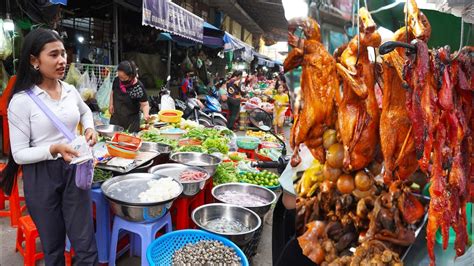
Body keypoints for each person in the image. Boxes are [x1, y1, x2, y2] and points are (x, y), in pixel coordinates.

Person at [0, 28, 98, 265]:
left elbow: (85, 111)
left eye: (63, 53)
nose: (62, 60)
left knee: (86, 246)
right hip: (41, 176)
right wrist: (54, 149)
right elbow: (20, 154)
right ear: (34, 60)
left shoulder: (70, 91)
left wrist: (89, 128)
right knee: (52, 249)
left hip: (73, 171)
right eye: (53, 55)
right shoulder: (22, 101)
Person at [109, 60, 150, 132]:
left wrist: (146, 115)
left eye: (123, 78)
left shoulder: (138, 87)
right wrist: (111, 104)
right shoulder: (116, 80)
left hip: (131, 122)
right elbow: (113, 92)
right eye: (119, 76)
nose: (121, 79)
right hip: (116, 118)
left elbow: (145, 104)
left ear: (131, 76)